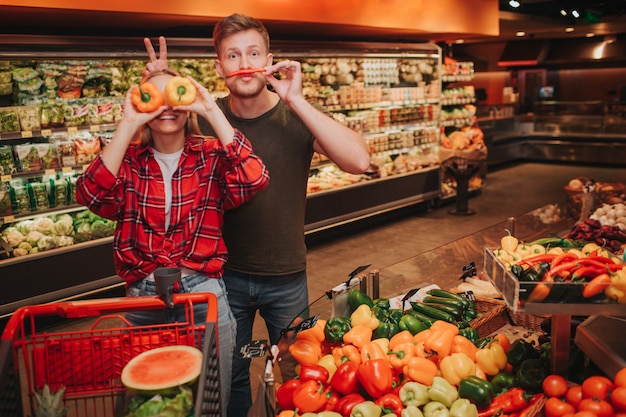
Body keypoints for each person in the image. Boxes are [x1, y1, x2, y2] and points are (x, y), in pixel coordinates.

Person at [144, 13, 371, 416]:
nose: (244, 63)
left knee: (297, 370)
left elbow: (359, 160)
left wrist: (296, 98)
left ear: (269, 60)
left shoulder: (293, 115)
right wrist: (161, 87)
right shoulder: (203, 116)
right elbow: (150, 143)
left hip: (286, 276)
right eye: (233, 55)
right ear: (219, 67)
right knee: (232, 370)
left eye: (253, 52)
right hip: (221, 277)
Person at [75, 69, 269, 416]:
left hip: (204, 293)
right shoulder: (130, 162)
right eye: (156, 99)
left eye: (176, 97)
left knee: (211, 401)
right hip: (142, 297)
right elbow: (90, 194)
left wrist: (211, 109)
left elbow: (255, 177)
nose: (166, 107)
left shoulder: (210, 156)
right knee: (141, 403)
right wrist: (129, 123)